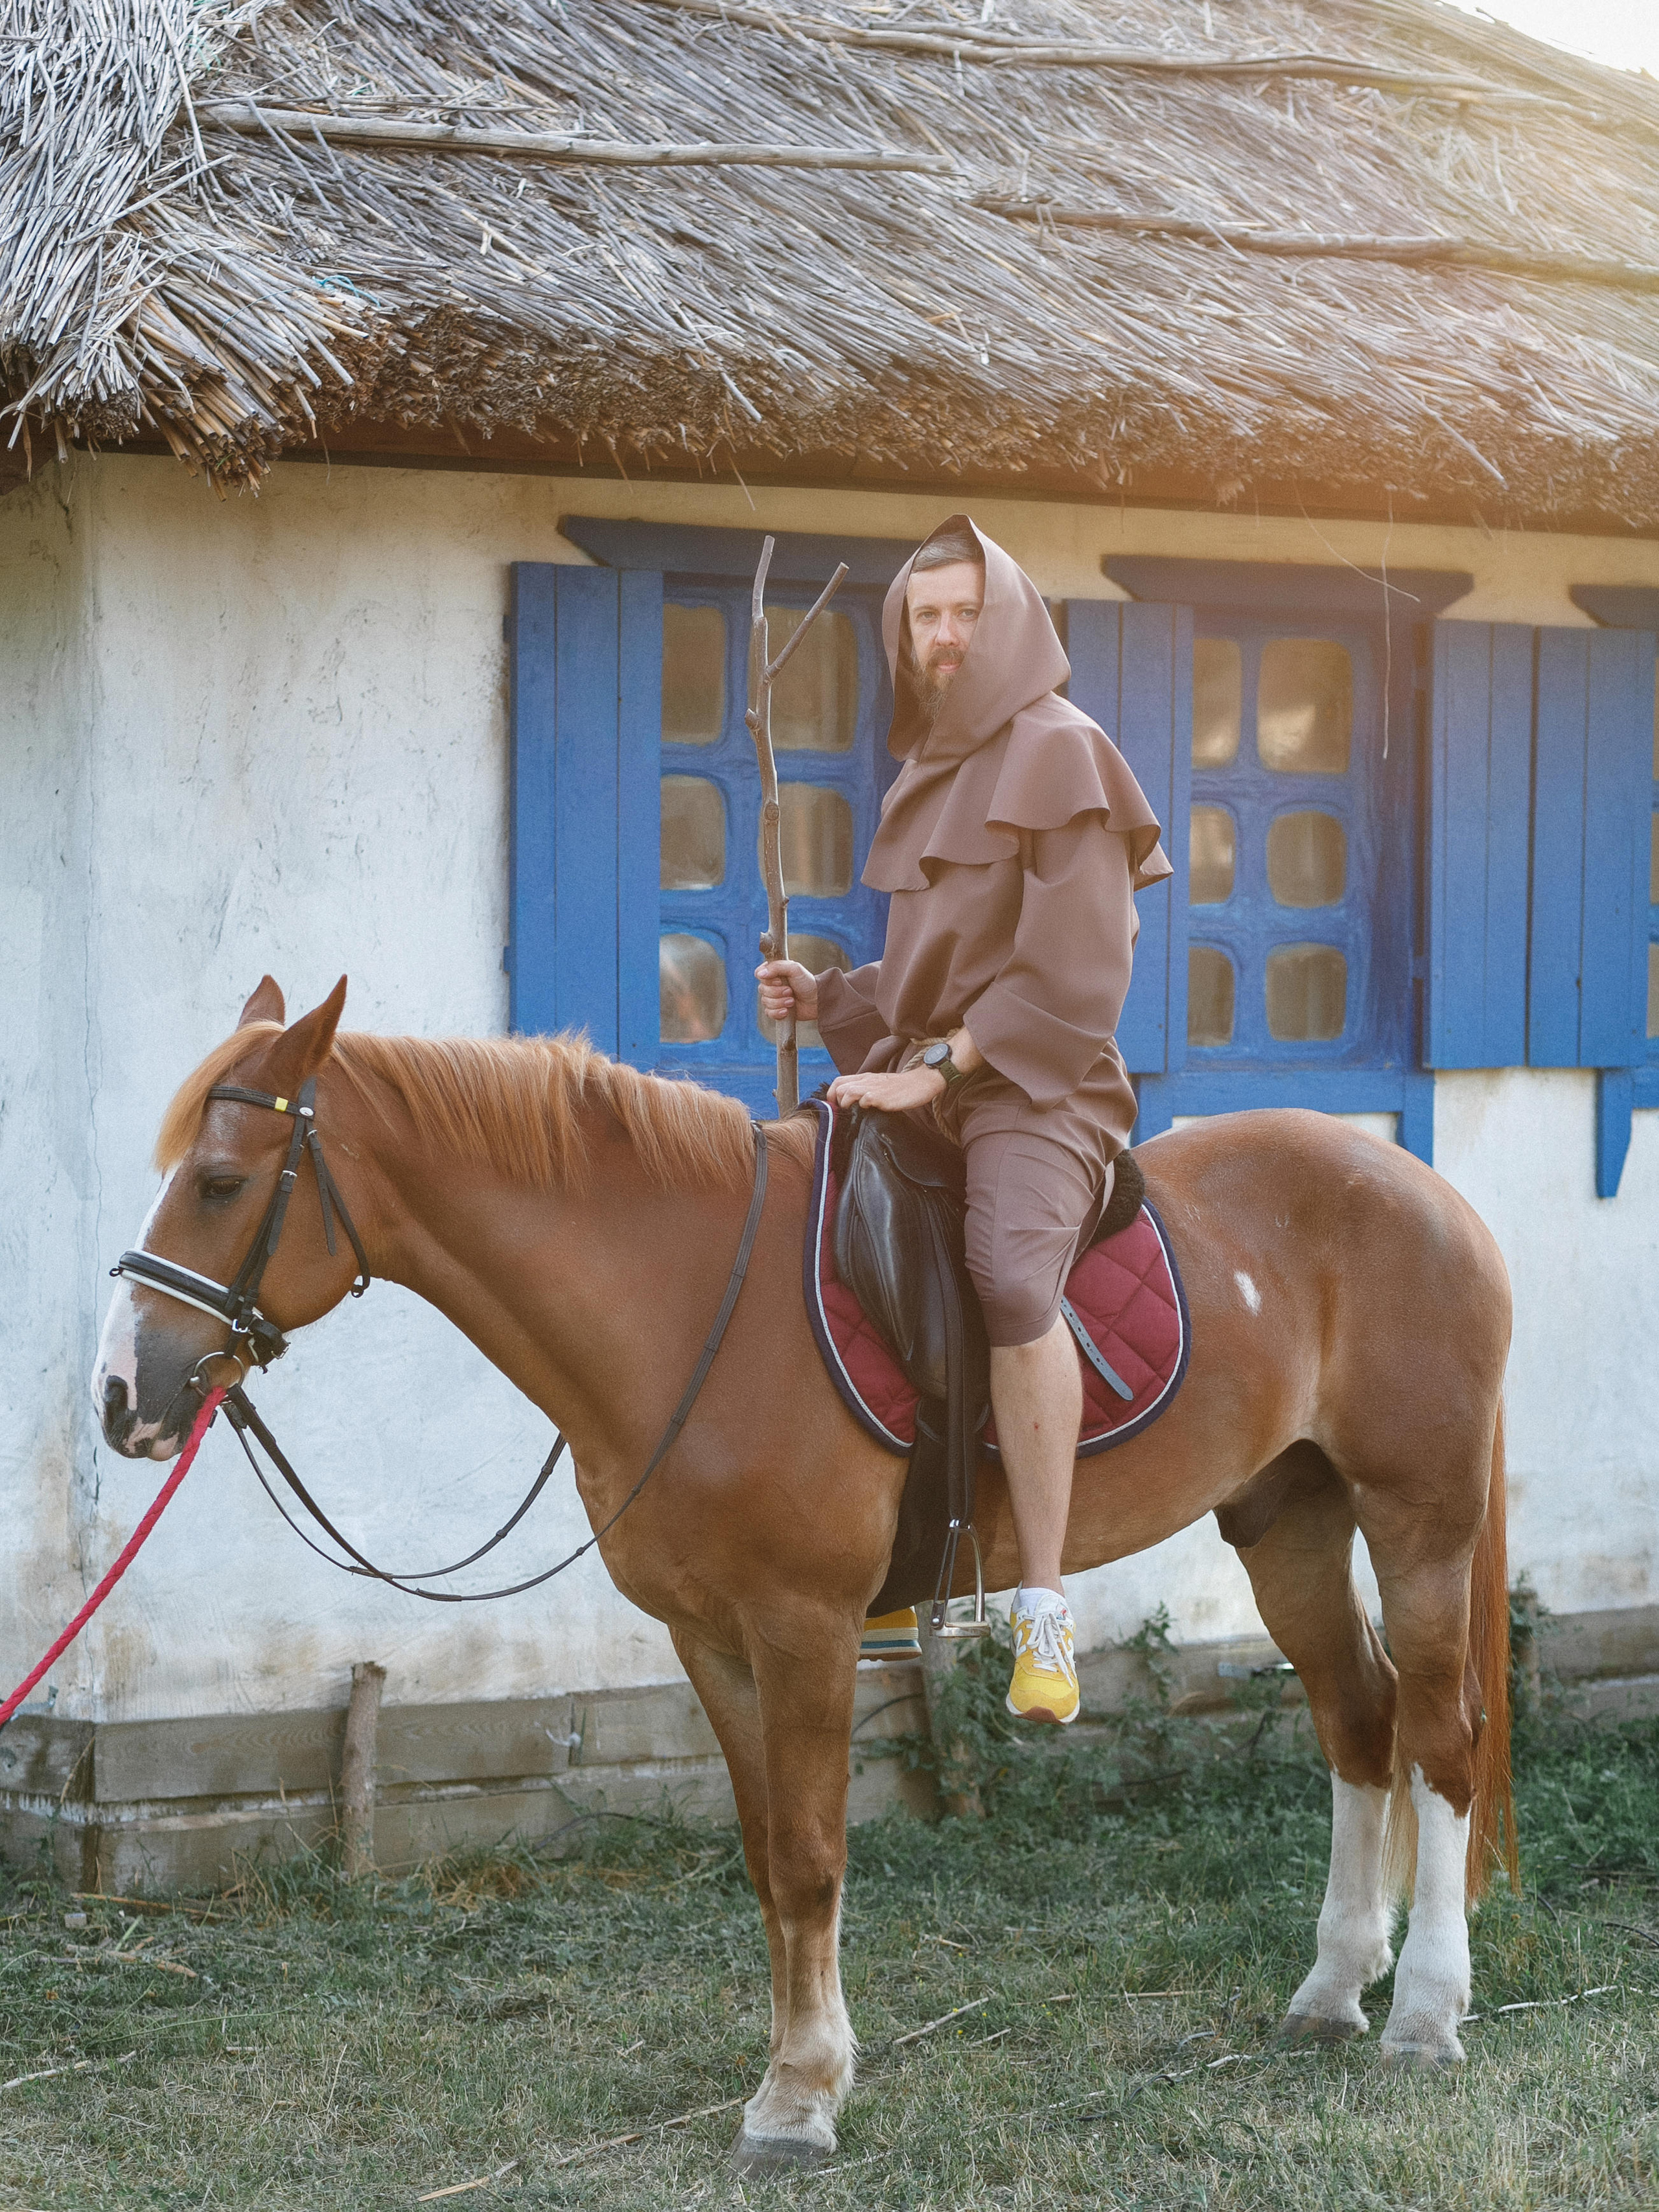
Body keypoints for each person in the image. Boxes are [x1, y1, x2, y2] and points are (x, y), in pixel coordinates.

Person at [758, 516, 1170, 1725]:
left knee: (1003, 1268)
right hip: (934, 1071)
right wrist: (830, 996)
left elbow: (1080, 966)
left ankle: (1040, 1607)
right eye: (923, 616)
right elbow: (930, 975)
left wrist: (938, 1070)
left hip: (1042, 1087)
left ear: (1012, 622)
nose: (944, 635)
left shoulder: (1066, 752)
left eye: (964, 613)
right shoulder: (928, 768)